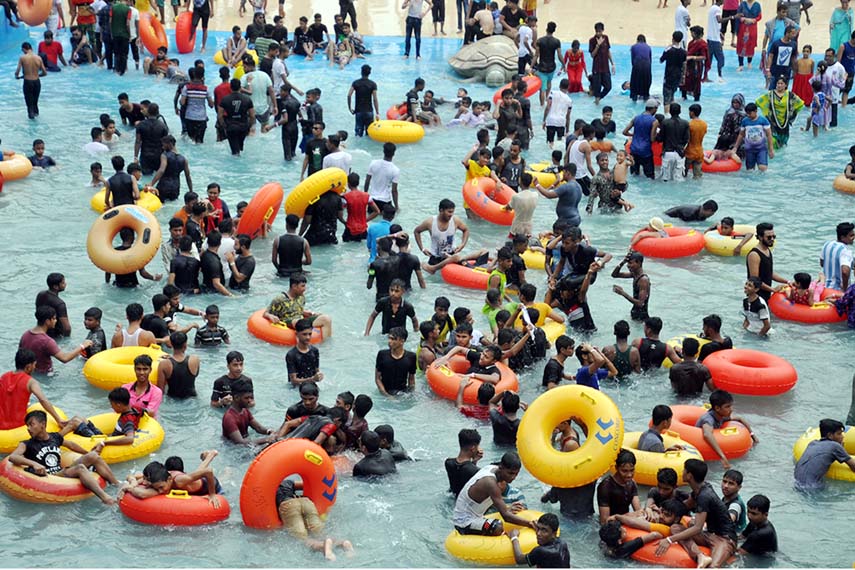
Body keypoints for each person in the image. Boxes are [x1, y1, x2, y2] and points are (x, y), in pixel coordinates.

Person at [9, 410, 118, 505]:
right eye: (27, 425)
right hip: (50, 477)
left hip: (61, 472)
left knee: (94, 456)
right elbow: (13, 457)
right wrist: (34, 464)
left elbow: (70, 445)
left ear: (43, 424)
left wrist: (87, 453)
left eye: (31, 424)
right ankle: (106, 498)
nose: (28, 428)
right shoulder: (27, 444)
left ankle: (116, 484)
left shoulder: (55, 438)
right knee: (80, 468)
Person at [654, 459, 737, 568]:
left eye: (684, 470)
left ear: (689, 476)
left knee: (712, 567)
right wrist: (658, 511)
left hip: (725, 538)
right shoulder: (699, 490)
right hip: (709, 534)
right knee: (675, 528)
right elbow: (683, 507)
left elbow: (698, 528)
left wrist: (669, 540)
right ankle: (700, 556)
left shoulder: (704, 496)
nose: (682, 472)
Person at [452, 451, 536, 535]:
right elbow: (506, 517)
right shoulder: (490, 483)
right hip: (463, 522)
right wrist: (530, 523)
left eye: (516, 474)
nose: (513, 477)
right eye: (510, 473)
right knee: (497, 527)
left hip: (476, 516)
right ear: (501, 467)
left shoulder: (491, 468)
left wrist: (506, 509)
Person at [414, 199, 487, 274]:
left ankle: (434, 268)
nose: (451, 214)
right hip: (435, 258)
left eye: (452, 212)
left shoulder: (455, 220)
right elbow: (416, 231)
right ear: (441, 210)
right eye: (449, 212)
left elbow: (466, 230)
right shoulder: (430, 222)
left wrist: (462, 244)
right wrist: (422, 249)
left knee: (457, 257)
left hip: (451, 255)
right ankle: (432, 268)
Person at [20, 306, 92, 375]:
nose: (56, 321)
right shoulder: (47, 341)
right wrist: (82, 346)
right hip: (45, 375)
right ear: (47, 321)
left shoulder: (25, 335)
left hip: (28, 373)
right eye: (54, 319)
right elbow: (65, 358)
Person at [697, 390, 758, 469]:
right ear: (717, 408)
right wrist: (722, 456)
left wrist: (753, 437)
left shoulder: (721, 416)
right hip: (702, 451)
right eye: (727, 406)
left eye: (731, 406)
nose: (731, 409)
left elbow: (740, 419)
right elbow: (707, 435)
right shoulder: (708, 419)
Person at [756, 76, 805, 149]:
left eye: (781, 83)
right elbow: (758, 102)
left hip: (785, 124)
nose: (779, 85)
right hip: (773, 122)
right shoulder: (770, 94)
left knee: (783, 144)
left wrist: (791, 114)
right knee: (773, 141)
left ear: (785, 85)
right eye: (778, 83)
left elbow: (800, 104)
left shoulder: (790, 95)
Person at [222, 379, 274, 445]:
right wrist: (266, 440)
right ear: (236, 398)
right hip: (233, 448)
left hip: (245, 443)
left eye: (251, 397)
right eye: (246, 398)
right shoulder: (229, 417)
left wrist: (269, 431)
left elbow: (258, 428)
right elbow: (240, 442)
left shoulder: (245, 411)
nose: (250, 401)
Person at [746, 222, 787, 301]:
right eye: (769, 237)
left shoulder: (767, 250)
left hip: (766, 295)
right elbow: (755, 281)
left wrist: (787, 281)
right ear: (760, 237)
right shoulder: (754, 255)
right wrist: (773, 290)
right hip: (756, 298)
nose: (772, 239)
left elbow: (769, 273)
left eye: (773, 236)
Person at [596, 449, 640, 523]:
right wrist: (630, 515)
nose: (629, 475)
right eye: (624, 471)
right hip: (611, 525)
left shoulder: (631, 483)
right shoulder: (605, 486)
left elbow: (639, 512)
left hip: (625, 520)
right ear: (616, 468)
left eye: (632, 470)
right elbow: (604, 521)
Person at [374, 327, 417, 396]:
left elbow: (411, 379)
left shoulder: (411, 357)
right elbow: (377, 378)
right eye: (389, 338)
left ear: (402, 341)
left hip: (402, 392)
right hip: (385, 392)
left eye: (393, 339)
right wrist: (387, 396)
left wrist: (411, 394)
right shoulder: (382, 354)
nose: (389, 341)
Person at [732, 102, 774, 171]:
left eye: (750, 113)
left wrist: (771, 149)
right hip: (749, 149)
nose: (748, 115)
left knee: (762, 168)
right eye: (747, 113)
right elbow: (741, 134)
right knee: (750, 170)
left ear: (756, 111)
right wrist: (735, 147)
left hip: (761, 149)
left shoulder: (763, 121)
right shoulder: (745, 121)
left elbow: (769, 135)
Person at [218, 78, 255, 156]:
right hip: (243, 127)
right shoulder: (247, 99)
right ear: (240, 87)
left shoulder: (225, 99)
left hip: (231, 126)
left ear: (230, 87)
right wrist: (249, 126)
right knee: (240, 148)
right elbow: (252, 115)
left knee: (235, 151)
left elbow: (220, 115)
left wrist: (224, 125)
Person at [622, 99, 659, 179]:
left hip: (634, 149)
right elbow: (652, 139)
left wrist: (633, 135)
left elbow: (624, 132)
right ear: (653, 109)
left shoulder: (636, 118)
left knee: (634, 175)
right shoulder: (654, 121)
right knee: (650, 177)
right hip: (645, 151)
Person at [157, 332, 200, 398]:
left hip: (173, 399)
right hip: (192, 398)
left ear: (171, 344)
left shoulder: (163, 364)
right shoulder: (195, 359)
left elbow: (160, 391)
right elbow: (195, 375)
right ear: (185, 345)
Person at [611, 252, 649, 321]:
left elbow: (640, 303)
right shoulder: (634, 275)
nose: (628, 265)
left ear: (639, 263)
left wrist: (622, 293)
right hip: (635, 314)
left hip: (641, 318)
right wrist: (623, 262)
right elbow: (614, 275)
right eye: (627, 263)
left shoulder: (643, 280)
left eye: (630, 263)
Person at [135, 103, 170, 175]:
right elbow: (166, 142)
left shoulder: (140, 125)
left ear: (148, 112)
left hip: (145, 155)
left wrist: (135, 156)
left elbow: (138, 141)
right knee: (159, 176)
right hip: (159, 155)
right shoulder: (163, 126)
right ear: (157, 112)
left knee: (146, 177)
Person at [446, 428, 483, 497]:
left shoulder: (448, 463)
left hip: (453, 495)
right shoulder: (476, 471)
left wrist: (474, 461)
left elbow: (464, 470)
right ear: (473, 448)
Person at [285, 319, 323, 386]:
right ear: (297, 334)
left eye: (310, 334)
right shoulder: (291, 355)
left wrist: (319, 376)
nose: (308, 337)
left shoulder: (315, 351)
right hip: (297, 388)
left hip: (311, 386)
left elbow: (317, 371)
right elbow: (293, 381)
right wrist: (312, 379)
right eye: (304, 334)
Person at [15, 42, 47, 120]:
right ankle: (37, 117)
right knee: (35, 103)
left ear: (23, 49)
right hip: (37, 82)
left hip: (27, 82)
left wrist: (17, 77)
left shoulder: (22, 58)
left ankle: (32, 122)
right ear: (31, 48)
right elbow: (45, 73)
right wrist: (38, 75)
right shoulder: (38, 58)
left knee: (29, 104)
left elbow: (17, 71)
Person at [820, 222, 855, 290]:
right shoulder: (846, 251)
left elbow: (822, 263)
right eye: (851, 236)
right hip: (837, 290)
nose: (853, 238)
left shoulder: (827, 244)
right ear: (842, 237)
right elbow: (845, 272)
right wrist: (845, 290)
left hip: (824, 288)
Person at [588, 23, 614, 104]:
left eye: (599, 31)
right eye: (596, 31)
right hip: (596, 68)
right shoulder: (592, 40)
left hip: (605, 67)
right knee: (597, 88)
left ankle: (599, 98)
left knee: (608, 86)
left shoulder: (606, 38)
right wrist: (597, 45)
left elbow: (608, 51)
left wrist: (612, 63)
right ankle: (596, 100)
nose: (598, 33)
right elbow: (592, 55)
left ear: (603, 30)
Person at [660, 32, 687, 106]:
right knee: (672, 96)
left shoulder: (669, 50)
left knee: (666, 99)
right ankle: (673, 114)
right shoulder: (684, 52)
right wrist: (683, 76)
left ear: (673, 39)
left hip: (669, 76)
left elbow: (661, 60)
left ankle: (667, 115)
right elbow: (684, 65)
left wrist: (666, 49)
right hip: (678, 76)